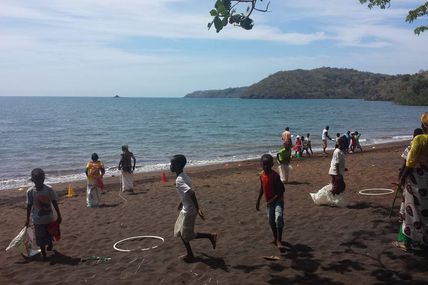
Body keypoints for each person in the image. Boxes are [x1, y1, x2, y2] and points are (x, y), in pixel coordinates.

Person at [170, 154, 217, 261]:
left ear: (179, 165)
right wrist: (181, 203)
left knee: (187, 235)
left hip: (190, 211)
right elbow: (186, 193)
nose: (170, 166)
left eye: (172, 164)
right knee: (181, 232)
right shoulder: (183, 176)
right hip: (186, 208)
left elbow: (191, 192)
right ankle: (190, 253)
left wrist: (198, 209)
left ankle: (210, 236)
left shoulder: (179, 180)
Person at [394, 113, 428, 251]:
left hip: (416, 181)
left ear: (423, 125)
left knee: (412, 211)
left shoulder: (419, 139)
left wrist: (401, 179)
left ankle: (409, 242)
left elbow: (410, 162)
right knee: (425, 210)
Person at [25, 168, 62, 260]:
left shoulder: (49, 189)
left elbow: (54, 202)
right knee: (40, 237)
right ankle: (43, 252)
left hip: (49, 218)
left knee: (50, 232)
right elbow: (29, 206)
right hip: (37, 220)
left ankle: (50, 243)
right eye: (36, 180)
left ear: (44, 179)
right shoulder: (30, 192)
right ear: (33, 180)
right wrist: (27, 219)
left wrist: (59, 215)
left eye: (41, 180)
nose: (39, 182)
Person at [256, 154, 285, 248]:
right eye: (264, 164)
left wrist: (273, 199)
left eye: (268, 165)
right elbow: (262, 188)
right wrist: (258, 200)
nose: (266, 167)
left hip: (278, 201)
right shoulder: (261, 175)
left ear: (272, 164)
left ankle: (279, 241)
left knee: (278, 218)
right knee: (271, 221)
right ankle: (275, 238)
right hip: (269, 202)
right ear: (261, 164)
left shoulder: (275, 176)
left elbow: (282, 190)